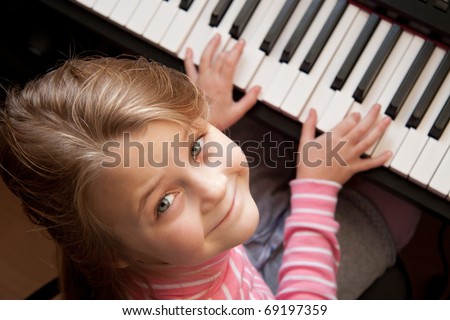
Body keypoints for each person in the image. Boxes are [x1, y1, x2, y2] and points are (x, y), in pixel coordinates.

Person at [0, 34, 401, 300]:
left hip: (219, 260)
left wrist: (200, 113)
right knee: (403, 211)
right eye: (163, 203)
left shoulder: (122, 235)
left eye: (195, 146)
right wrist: (316, 190)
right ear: (111, 252)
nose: (213, 188)